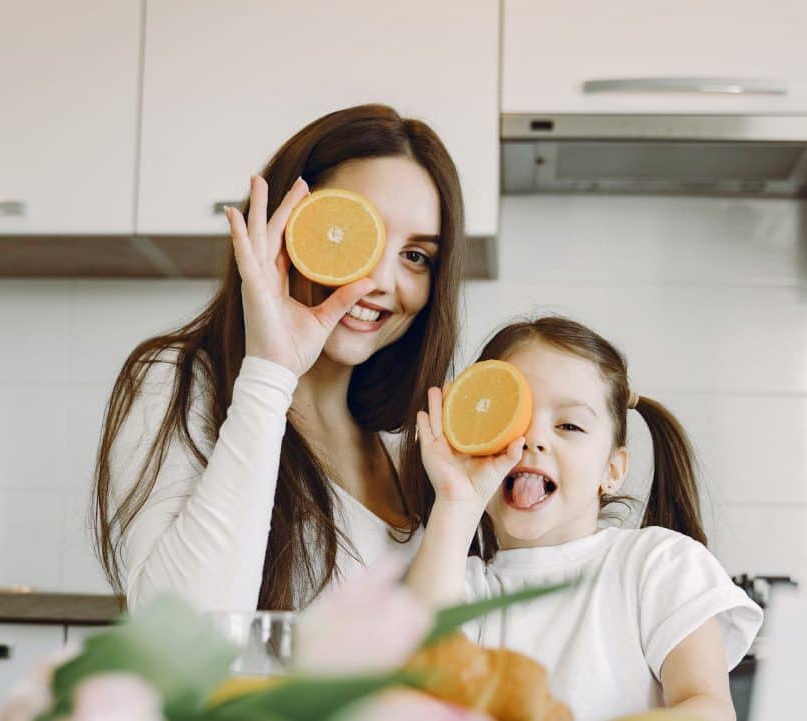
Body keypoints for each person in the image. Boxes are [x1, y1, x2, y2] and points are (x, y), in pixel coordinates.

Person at [93, 104, 468, 612]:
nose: (380, 281)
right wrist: (270, 371)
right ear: (281, 228)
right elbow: (185, 635)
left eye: (416, 256)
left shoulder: (405, 449)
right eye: (352, 234)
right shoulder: (176, 385)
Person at [407, 316, 764, 721]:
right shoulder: (462, 587)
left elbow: (709, 710)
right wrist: (456, 500)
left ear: (612, 470)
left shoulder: (658, 564)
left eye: (569, 425)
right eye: (511, 420)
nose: (532, 440)